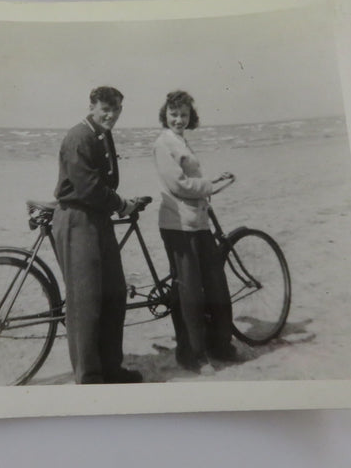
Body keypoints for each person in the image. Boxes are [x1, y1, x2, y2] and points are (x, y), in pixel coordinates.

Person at [52, 86, 144, 385]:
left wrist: (117, 203)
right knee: (86, 302)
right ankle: (90, 378)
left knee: (114, 294)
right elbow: (89, 187)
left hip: (98, 219)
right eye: (105, 108)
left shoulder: (101, 133)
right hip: (78, 220)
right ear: (91, 106)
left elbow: (106, 182)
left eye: (116, 109)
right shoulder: (79, 136)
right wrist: (120, 204)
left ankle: (111, 368)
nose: (111, 114)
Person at [153, 90, 240, 374]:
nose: (179, 119)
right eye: (174, 114)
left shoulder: (180, 141)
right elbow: (178, 184)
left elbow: (190, 180)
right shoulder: (163, 143)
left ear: (191, 117)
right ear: (165, 115)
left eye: (184, 115)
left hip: (197, 221)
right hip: (178, 224)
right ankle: (192, 355)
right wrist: (210, 186)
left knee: (215, 283)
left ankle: (220, 345)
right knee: (189, 292)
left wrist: (210, 182)